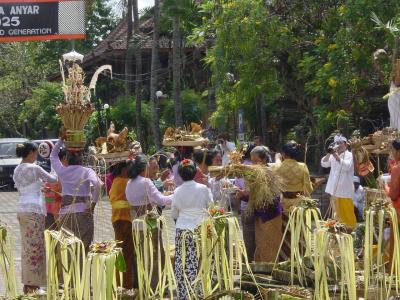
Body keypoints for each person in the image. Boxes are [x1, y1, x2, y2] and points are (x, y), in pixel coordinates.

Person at [13, 142, 58, 294]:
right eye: (35, 152)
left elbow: (27, 187)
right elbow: (53, 179)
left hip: (22, 209)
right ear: (31, 152)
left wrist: (40, 187)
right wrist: (55, 165)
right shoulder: (34, 168)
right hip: (34, 211)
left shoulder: (17, 169)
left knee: (27, 248)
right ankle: (34, 285)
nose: (37, 155)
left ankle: (28, 284)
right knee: (36, 248)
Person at [125, 155, 173, 288]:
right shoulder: (145, 181)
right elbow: (161, 200)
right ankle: (156, 287)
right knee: (155, 254)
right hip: (149, 222)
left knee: (142, 254)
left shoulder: (129, 182)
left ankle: (144, 286)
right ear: (144, 167)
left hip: (136, 224)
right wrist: (179, 194)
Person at [171, 159, 213, 300]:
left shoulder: (177, 191)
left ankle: (185, 294)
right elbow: (211, 206)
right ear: (195, 172)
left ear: (181, 175)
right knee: (202, 259)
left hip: (183, 230)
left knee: (183, 263)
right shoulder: (203, 189)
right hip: (201, 228)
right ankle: (201, 292)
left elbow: (174, 214)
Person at [50, 138, 102, 252]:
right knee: (84, 248)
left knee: (68, 249)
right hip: (84, 214)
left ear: (67, 159)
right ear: (81, 160)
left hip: (65, 215)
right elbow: (98, 185)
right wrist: (92, 205)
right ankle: (83, 269)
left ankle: (69, 270)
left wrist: (61, 139)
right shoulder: (87, 171)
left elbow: (53, 155)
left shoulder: (62, 171)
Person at [274, 141, 313, 260]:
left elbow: (276, 186)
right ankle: (300, 258)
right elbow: (308, 189)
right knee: (300, 231)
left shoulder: (278, 167)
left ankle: (285, 259)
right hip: (299, 204)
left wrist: (277, 158)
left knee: (286, 233)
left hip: (284, 204)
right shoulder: (302, 167)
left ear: (284, 154)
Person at [250, 146, 283, 262]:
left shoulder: (269, 172)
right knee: (260, 243)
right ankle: (261, 269)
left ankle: (269, 270)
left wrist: (244, 195)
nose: (253, 164)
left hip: (271, 214)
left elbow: (264, 195)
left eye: (256, 161)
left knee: (270, 244)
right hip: (259, 213)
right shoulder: (254, 173)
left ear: (264, 160)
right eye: (251, 161)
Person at [321, 134, 357, 228]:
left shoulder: (349, 155)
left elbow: (347, 167)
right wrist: (329, 152)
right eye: (337, 143)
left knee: (348, 214)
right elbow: (324, 164)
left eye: (340, 143)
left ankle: (351, 232)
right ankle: (338, 232)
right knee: (336, 214)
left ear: (346, 144)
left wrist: (337, 157)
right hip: (334, 190)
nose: (339, 145)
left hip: (345, 191)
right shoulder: (333, 155)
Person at [108, 161, 134, 289]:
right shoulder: (126, 181)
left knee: (120, 251)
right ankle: (126, 285)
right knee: (127, 254)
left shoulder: (116, 181)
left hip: (117, 218)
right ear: (124, 170)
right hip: (125, 219)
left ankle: (119, 282)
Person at [235, 143, 256, 261]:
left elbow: (238, 190)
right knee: (258, 236)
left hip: (245, 207)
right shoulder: (258, 167)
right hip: (258, 206)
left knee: (248, 237)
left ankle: (248, 261)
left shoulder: (239, 168)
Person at [385, 139, 400, 267]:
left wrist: (386, 186)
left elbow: (393, 195)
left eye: (393, 151)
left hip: (399, 212)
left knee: (396, 242)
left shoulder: (397, 169)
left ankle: (395, 271)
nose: (392, 153)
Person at [44, 147, 67, 229]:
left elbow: (48, 196)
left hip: (48, 208)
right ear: (64, 158)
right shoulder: (61, 174)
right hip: (57, 210)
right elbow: (61, 196)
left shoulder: (52, 173)